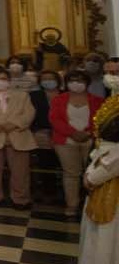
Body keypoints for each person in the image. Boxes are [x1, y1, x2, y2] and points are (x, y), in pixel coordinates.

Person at [74, 99, 119, 264]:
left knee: (108, 255)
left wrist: (91, 176)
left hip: (112, 201)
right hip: (103, 196)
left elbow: (109, 164)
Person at [0, 69, 36, 209]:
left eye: (4, 78)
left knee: (20, 172)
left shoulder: (22, 96)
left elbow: (29, 113)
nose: (0, 81)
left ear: (9, 81)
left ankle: (20, 199)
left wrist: (15, 124)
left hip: (18, 136)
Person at [51, 71, 97, 220]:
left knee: (93, 173)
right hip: (66, 141)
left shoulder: (98, 100)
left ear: (87, 83)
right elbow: (55, 119)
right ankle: (72, 205)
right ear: (67, 82)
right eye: (72, 80)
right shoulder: (59, 99)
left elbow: (101, 120)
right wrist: (72, 133)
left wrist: (88, 133)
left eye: (80, 80)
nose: (76, 83)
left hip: (90, 141)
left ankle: (94, 204)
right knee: (71, 174)